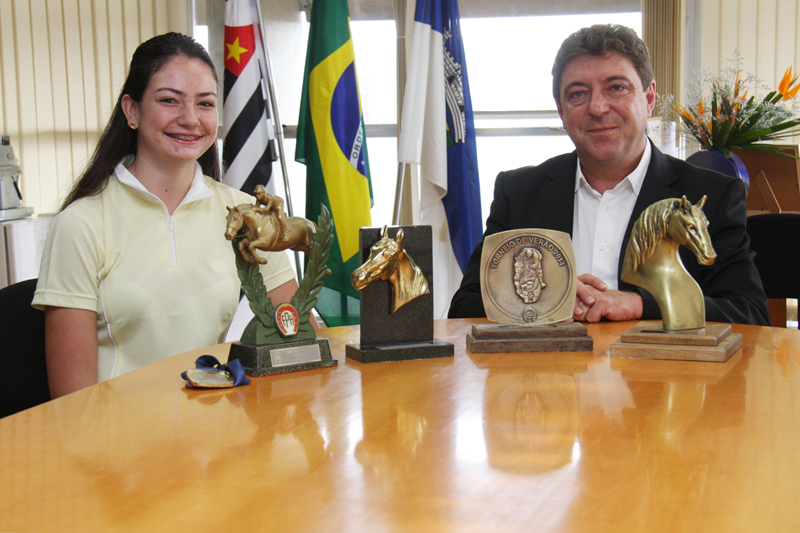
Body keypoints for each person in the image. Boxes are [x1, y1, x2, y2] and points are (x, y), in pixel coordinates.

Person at [33, 33, 300, 398]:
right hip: (118, 444)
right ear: (132, 110)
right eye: (169, 100)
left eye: (205, 104)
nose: (190, 119)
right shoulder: (81, 224)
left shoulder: (246, 215)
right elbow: (70, 399)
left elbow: (295, 333)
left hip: (215, 436)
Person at [449, 24, 770, 326]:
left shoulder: (710, 195)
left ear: (648, 98)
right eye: (577, 93)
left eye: (616, 87)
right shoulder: (518, 192)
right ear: (561, 111)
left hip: (661, 382)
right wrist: (545, 300)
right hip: (549, 380)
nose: (598, 108)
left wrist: (640, 305)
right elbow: (465, 308)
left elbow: (748, 314)